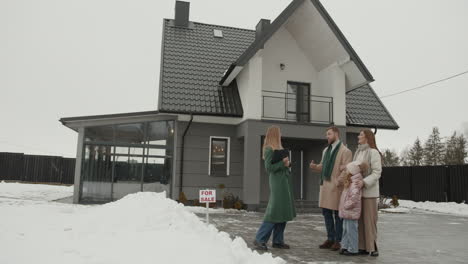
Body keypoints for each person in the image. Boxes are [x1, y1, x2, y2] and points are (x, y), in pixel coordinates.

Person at [253, 126, 296, 251]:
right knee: (274, 212)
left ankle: (278, 241)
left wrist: (288, 164)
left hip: (285, 182)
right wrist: (282, 163)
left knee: (282, 211)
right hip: (277, 183)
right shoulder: (268, 149)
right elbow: (268, 168)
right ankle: (260, 239)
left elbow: (283, 166)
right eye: (279, 133)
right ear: (275, 135)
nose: (281, 135)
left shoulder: (279, 149)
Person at [310, 126, 352, 251]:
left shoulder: (345, 151)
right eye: (326, 134)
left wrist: (337, 182)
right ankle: (330, 238)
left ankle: (338, 241)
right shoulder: (325, 150)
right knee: (326, 213)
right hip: (325, 186)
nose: (327, 136)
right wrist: (315, 166)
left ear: (336, 134)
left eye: (329, 134)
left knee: (337, 215)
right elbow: (323, 166)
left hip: (336, 187)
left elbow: (347, 170)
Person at [353, 129, 382, 257]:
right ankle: (362, 247)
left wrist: (364, 182)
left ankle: (373, 246)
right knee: (360, 222)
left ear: (367, 137)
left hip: (369, 193)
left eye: (361, 134)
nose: (358, 136)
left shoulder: (373, 152)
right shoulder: (358, 152)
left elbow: (377, 172)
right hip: (358, 192)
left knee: (370, 221)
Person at [338, 160, 368, 256]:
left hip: (351, 211)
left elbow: (354, 198)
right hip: (347, 211)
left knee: (352, 231)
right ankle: (345, 246)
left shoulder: (355, 184)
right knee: (345, 230)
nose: (346, 171)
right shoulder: (350, 182)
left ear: (352, 172)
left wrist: (346, 205)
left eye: (347, 170)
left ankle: (353, 249)